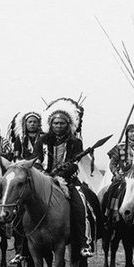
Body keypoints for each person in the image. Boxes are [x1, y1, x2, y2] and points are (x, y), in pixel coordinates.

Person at [39, 97, 94, 257]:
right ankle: (23, 248)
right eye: (55, 123)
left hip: (68, 180)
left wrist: (59, 175)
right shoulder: (42, 140)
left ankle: (85, 243)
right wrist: (42, 174)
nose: (58, 126)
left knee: (82, 203)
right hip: (43, 179)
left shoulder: (75, 142)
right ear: (51, 124)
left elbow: (74, 163)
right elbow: (36, 159)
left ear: (68, 125)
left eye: (62, 123)